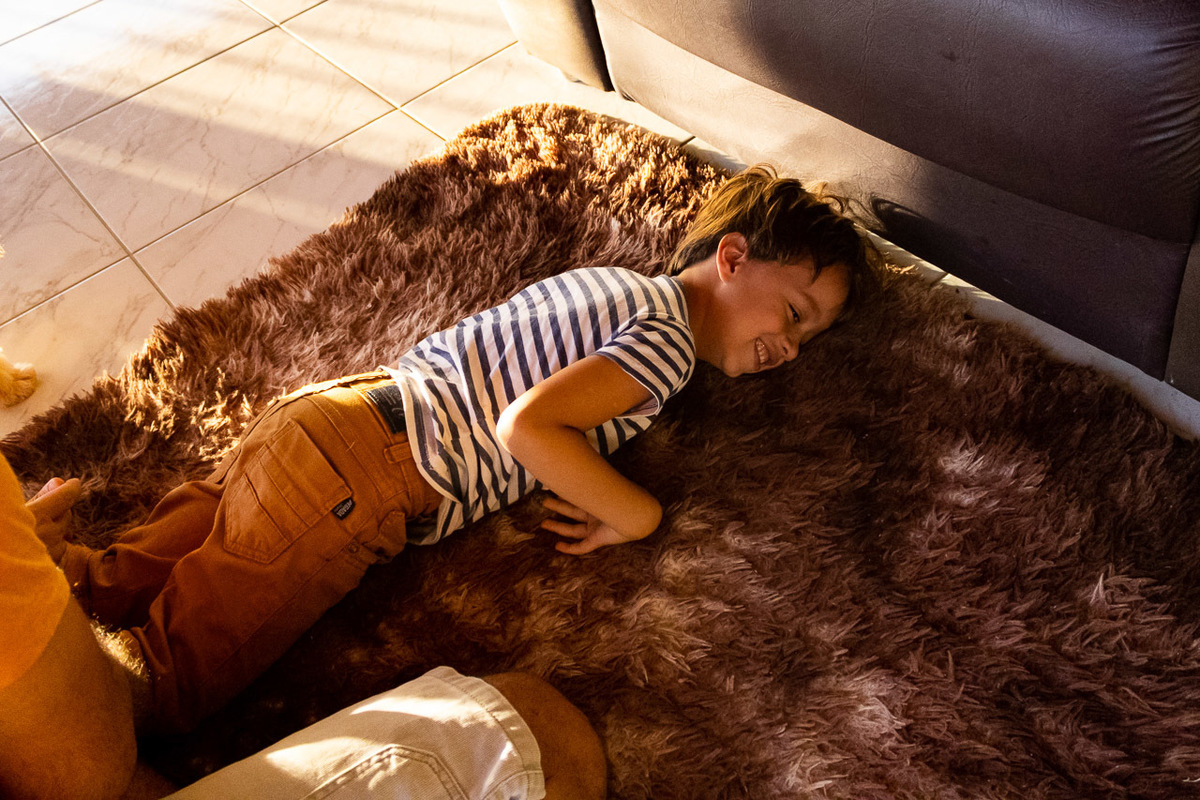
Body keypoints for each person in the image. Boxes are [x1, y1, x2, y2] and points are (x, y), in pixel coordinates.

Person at [34, 165, 879, 737]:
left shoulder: (611, 284)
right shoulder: (663, 347)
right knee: (163, 686)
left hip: (330, 415)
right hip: (361, 479)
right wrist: (636, 512)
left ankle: (44, 573)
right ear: (732, 259)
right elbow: (528, 427)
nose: (792, 348)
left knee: (119, 580)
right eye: (795, 315)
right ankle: (50, 715)